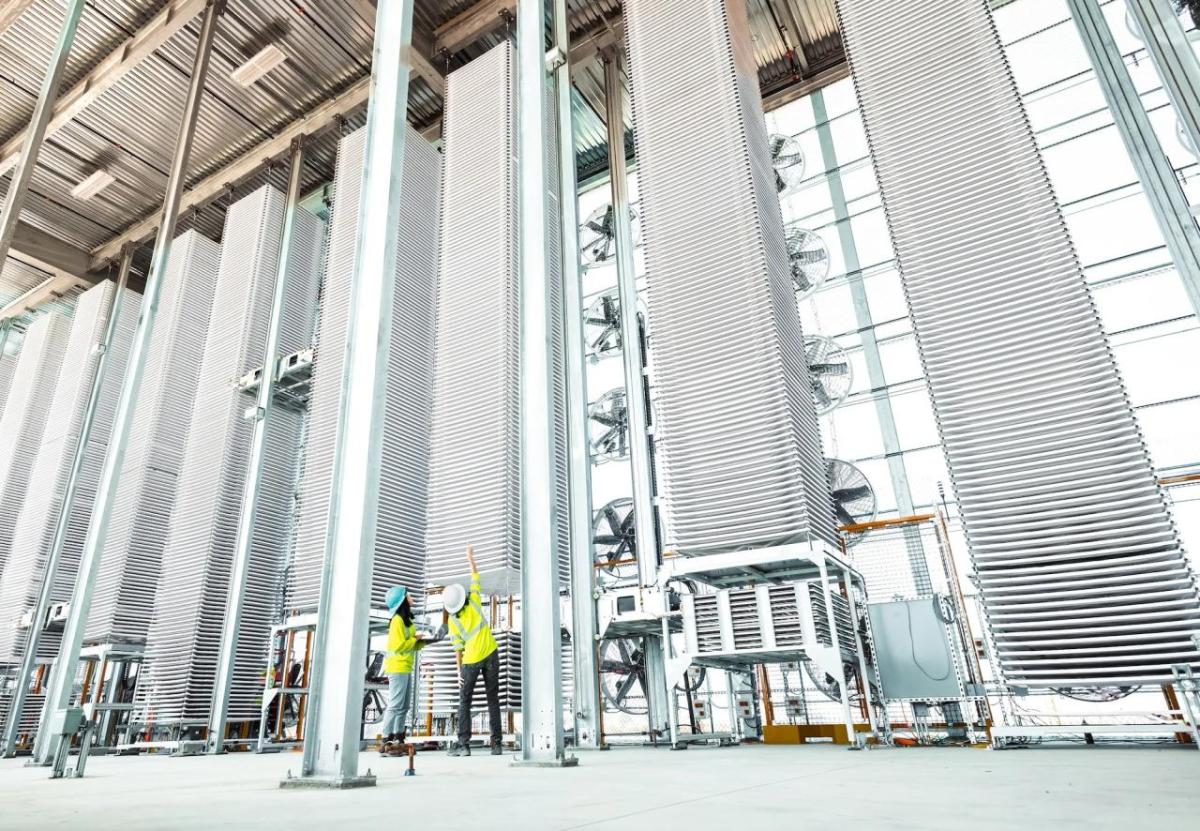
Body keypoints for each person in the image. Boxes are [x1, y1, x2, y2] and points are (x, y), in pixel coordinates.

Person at [445, 545, 501, 757]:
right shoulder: (475, 601)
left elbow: (457, 648)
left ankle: (463, 744)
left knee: (464, 701)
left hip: (470, 660)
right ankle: (496, 744)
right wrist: (470, 558)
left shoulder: (453, 621)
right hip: (491, 654)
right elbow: (475, 576)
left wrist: (460, 671)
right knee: (492, 699)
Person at [380, 585, 425, 756]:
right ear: (402, 599)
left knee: (404, 705)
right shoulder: (397, 620)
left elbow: (410, 644)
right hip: (397, 667)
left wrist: (423, 641)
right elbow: (399, 645)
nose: (411, 596)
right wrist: (415, 639)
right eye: (408, 594)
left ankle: (398, 738)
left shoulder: (407, 620)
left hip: (405, 666)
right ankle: (386, 738)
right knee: (396, 704)